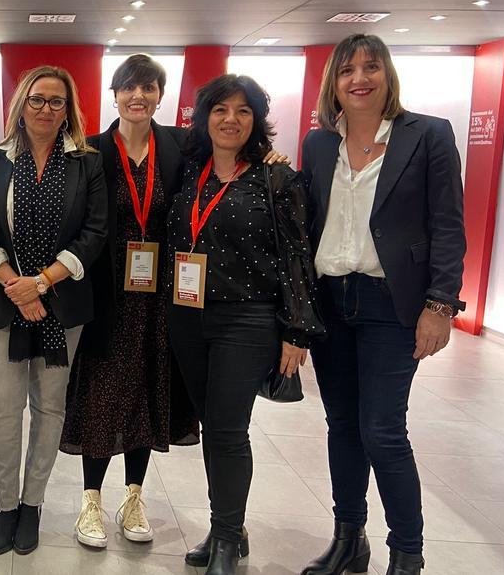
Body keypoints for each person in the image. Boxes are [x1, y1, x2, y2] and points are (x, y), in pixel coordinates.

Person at [298, 34, 466, 575]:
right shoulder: (320, 144)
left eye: (370, 67)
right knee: (342, 425)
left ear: (387, 75)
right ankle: (350, 539)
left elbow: (447, 226)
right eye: (347, 71)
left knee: (383, 430)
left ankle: (407, 554)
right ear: (334, 84)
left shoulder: (428, 136)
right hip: (330, 301)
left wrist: (440, 306)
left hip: (390, 304)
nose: (359, 78)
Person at [165, 74, 324, 575]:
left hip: (248, 320)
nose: (230, 119)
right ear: (203, 116)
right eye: (220, 109)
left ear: (256, 121)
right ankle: (225, 526)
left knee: (230, 432)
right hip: (187, 316)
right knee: (213, 428)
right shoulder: (190, 171)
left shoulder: (277, 178)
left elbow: (299, 256)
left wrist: (296, 331)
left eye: (243, 111)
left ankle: (228, 540)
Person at [0, 65, 108, 557]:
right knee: (5, 408)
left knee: (50, 407)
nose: (46, 109)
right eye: (37, 99)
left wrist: (42, 283)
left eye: (57, 101)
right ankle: (6, 505)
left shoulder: (87, 163)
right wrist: (15, 285)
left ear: (69, 110)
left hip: (62, 303)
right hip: (3, 304)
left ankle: (33, 504)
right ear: (20, 105)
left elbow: (95, 232)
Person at [59, 54, 200, 549]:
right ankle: (90, 502)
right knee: (100, 395)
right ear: (114, 94)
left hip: (160, 297)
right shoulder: (90, 151)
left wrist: (272, 156)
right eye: (128, 87)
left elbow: (232, 161)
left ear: (161, 95)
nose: (138, 96)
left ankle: (134, 497)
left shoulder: (180, 147)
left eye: (148, 87)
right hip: (106, 296)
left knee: (146, 390)